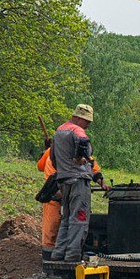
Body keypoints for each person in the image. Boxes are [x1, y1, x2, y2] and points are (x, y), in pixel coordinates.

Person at [37, 140, 107, 262]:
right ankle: (50, 264)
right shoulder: (52, 155)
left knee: (72, 223)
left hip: (70, 196)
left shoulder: (84, 156)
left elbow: (94, 170)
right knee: (52, 229)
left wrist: (102, 183)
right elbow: (43, 169)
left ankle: (63, 255)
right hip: (55, 197)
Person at [50, 104, 99, 263]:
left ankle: (58, 253)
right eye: (87, 121)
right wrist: (79, 158)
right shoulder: (77, 130)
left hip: (64, 180)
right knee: (79, 218)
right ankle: (72, 256)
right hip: (78, 181)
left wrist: (63, 171)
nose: (88, 125)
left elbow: (53, 158)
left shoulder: (58, 131)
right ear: (79, 118)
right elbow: (83, 141)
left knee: (67, 218)